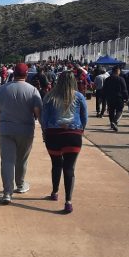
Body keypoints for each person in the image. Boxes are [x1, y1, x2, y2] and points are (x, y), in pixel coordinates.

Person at [0, 63, 43, 204]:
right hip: (26, 131)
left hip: (6, 129)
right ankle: (20, 185)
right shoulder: (33, 91)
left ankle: (7, 193)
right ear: (26, 74)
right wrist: (44, 129)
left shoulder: (2, 89)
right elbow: (38, 112)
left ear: (13, 74)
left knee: (7, 161)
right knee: (22, 160)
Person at [40, 71, 88, 214]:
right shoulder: (79, 96)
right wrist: (81, 130)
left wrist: (45, 131)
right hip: (73, 135)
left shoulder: (50, 96)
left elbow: (43, 118)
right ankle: (68, 201)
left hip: (53, 135)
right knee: (69, 168)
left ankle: (55, 192)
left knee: (56, 164)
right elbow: (84, 117)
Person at [102, 66, 128, 132]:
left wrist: (103, 97)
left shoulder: (107, 79)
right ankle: (114, 121)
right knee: (119, 111)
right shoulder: (121, 79)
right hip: (119, 98)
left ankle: (112, 124)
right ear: (118, 71)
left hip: (110, 98)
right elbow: (124, 89)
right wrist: (126, 98)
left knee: (111, 111)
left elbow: (104, 89)